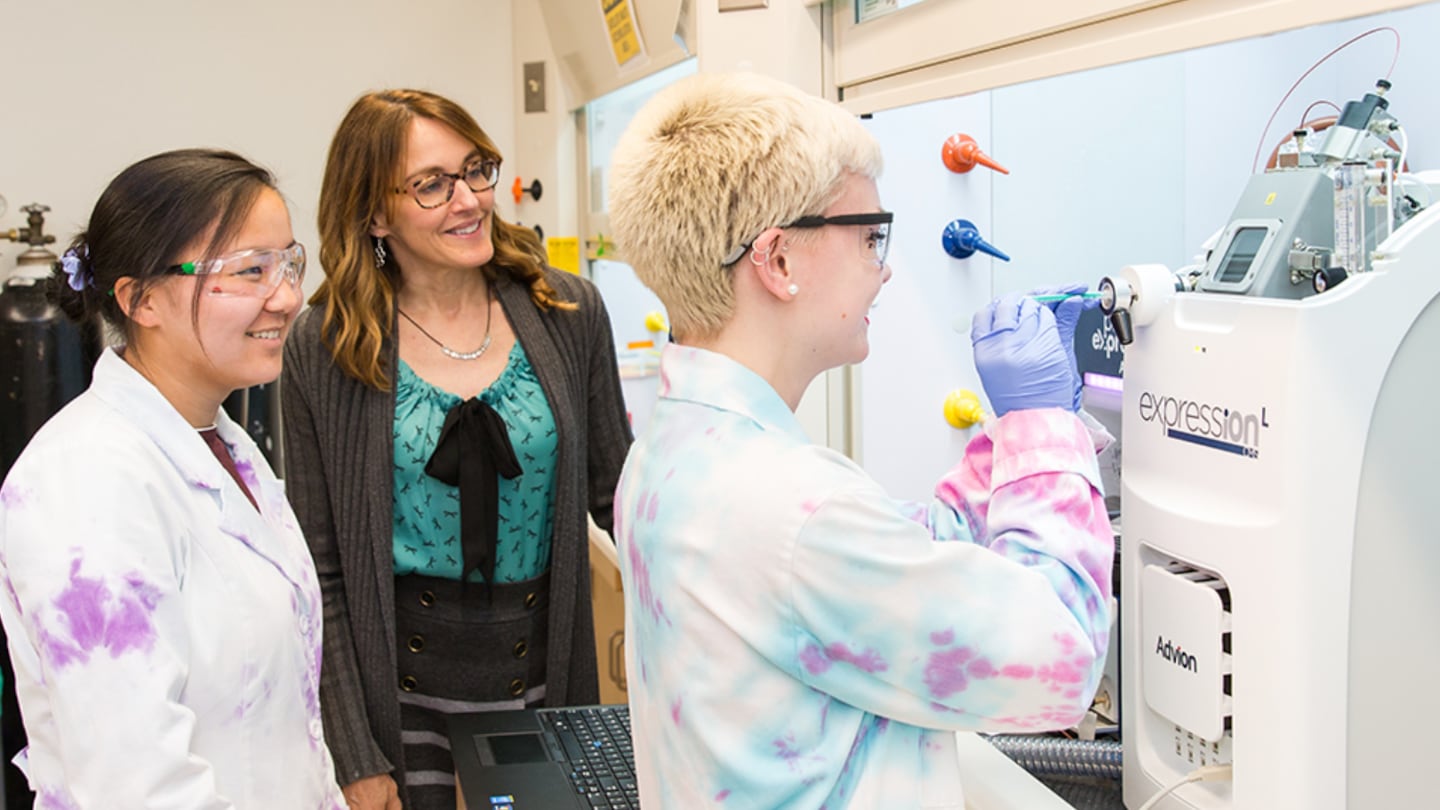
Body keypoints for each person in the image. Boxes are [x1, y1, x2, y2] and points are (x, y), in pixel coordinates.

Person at [606, 71, 1115, 808]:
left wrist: (1006, 442)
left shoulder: (675, 449)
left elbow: (904, 556)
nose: (882, 273)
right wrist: (1044, 429)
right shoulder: (794, 514)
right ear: (778, 261)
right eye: (871, 237)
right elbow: (1062, 660)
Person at [283, 88, 633, 810]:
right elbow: (319, 570)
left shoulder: (567, 312)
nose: (470, 199)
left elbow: (622, 500)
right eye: (432, 184)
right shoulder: (324, 347)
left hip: (543, 671)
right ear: (375, 212)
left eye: (476, 170)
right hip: (401, 697)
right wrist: (354, 755)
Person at [0, 149, 346, 808]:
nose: (288, 297)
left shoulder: (223, 443)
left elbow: (287, 719)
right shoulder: (84, 482)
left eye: (289, 264)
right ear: (141, 298)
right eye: (250, 271)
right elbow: (137, 787)